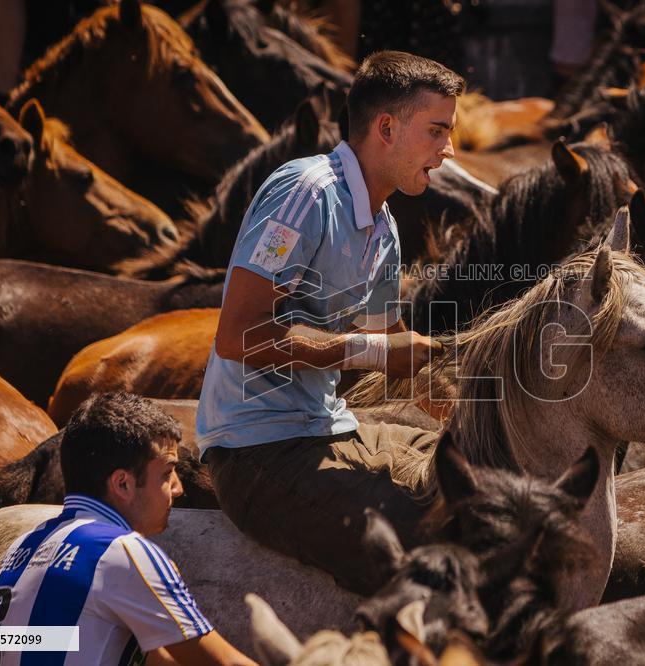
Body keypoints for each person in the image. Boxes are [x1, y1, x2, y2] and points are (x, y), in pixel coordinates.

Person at [197, 50, 463, 594]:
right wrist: (373, 352)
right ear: (386, 127)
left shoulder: (384, 229)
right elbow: (237, 336)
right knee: (429, 543)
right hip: (257, 451)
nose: (448, 150)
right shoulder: (306, 194)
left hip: (328, 428)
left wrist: (472, 413)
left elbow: (395, 347)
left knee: (475, 478)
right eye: (436, 131)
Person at [0, 392, 256, 666]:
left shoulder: (24, 544)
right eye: (166, 473)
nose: (178, 488)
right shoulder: (124, 551)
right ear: (122, 484)